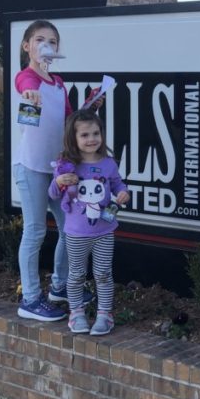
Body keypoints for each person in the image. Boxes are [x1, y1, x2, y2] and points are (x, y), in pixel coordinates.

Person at [13, 19, 81, 322]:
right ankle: (30, 299)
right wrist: (31, 94)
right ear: (27, 46)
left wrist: (91, 106)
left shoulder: (59, 83)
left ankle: (60, 286)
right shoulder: (26, 78)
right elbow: (26, 86)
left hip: (56, 169)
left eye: (52, 42)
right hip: (30, 167)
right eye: (40, 40)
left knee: (70, 228)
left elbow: (68, 121)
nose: (46, 46)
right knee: (35, 230)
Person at [49, 109, 129, 335]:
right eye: (84, 135)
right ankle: (76, 313)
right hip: (76, 233)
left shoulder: (109, 164)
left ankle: (105, 314)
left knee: (103, 273)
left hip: (105, 231)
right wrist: (58, 181)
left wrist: (124, 193)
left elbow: (118, 185)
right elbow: (53, 194)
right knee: (76, 274)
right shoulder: (66, 164)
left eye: (96, 133)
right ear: (73, 138)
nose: (91, 139)